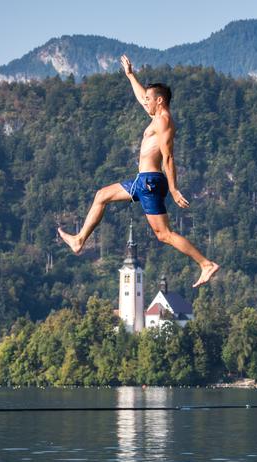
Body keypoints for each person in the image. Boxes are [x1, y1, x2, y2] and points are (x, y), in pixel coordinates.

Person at [58, 54, 220, 288]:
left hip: (151, 183)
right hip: (142, 181)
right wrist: (130, 75)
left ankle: (206, 264)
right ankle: (79, 240)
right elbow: (142, 97)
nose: (145, 103)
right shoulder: (157, 117)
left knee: (164, 234)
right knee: (101, 196)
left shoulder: (163, 121)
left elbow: (168, 156)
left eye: (149, 100)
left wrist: (174, 190)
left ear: (160, 101)